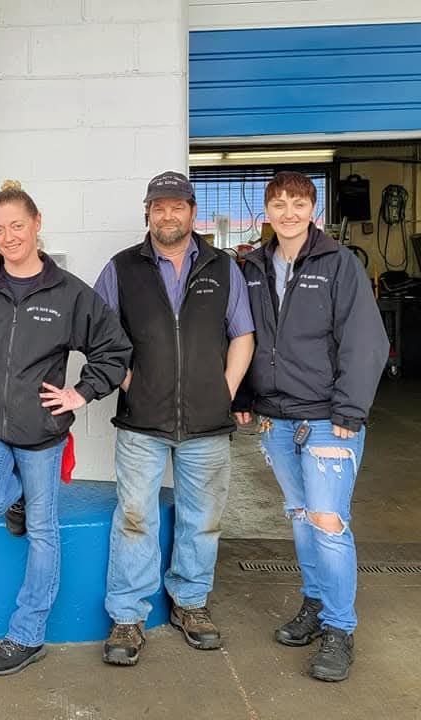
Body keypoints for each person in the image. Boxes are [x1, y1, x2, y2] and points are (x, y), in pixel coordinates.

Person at [0, 180, 132, 676]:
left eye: (16, 225)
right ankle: (16, 495)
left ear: (37, 225)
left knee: (43, 531)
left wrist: (79, 393)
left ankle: (27, 634)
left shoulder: (70, 294)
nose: (8, 237)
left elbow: (114, 348)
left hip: (42, 432)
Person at [95, 170, 256, 666]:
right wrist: (131, 384)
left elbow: (243, 335)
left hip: (207, 424)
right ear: (148, 213)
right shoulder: (122, 269)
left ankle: (191, 604)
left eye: (178, 206)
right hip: (142, 422)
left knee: (201, 520)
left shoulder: (223, 268)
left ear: (192, 211)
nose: (168, 215)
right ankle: (127, 615)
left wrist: (222, 391)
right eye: (159, 207)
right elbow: (102, 338)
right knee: (135, 519)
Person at [234, 171, 388, 682]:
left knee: (327, 521)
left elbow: (366, 341)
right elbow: (243, 334)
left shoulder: (339, 264)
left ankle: (341, 629)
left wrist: (349, 410)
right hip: (276, 419)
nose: (288, 213)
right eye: (278, 204)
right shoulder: (253, 266)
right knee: (300, 517)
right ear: (267, 213)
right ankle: (316, 605)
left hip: (327, 418)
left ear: (314, 211)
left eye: (298, 203)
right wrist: (244, 397)